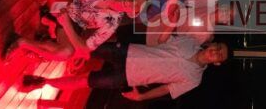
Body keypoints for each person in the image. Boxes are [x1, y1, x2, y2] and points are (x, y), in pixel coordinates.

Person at [3, 0, 146, 61]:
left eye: (135, 6)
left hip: (71, 21)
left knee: (65, 53)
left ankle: (22, 42)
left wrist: (66, 24)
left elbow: (84, 50)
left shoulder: (112, 23)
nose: (131, 2)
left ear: (131, 13)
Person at [22, 38, 230, 100]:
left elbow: (167, 89)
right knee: (82, 49)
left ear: (217, 63)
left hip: (129, 76)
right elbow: (162, 40)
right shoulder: (189, 42)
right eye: (218, 47)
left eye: (220, 55)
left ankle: (42, 82)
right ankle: (40, 50)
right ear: (212, 44)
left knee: (85, 81)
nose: (216, 52)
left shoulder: (194, 79)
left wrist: (141, 97)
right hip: (129, 51)